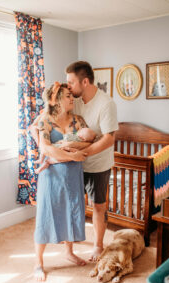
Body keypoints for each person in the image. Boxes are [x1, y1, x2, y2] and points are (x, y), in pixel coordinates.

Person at [33, 81, 90, 282]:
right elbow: (45, 149)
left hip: (73, 175)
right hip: (52, 176)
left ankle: (69, 252)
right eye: (67, 96)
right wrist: (72, 155)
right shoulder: (46, 120)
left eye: (71, 95)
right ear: (56, 99)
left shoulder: (78, 120)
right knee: (46, 215)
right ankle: (39, 262)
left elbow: (88, 141)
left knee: (71, 212)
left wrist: (72, 147)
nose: (72, 98)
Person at [66, 61, 118, 261]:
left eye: (71, 82)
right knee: (73, 204)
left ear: (84, 81)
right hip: (75, 163)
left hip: (98, 165)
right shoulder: (74, 100)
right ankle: (70, 243)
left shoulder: (106, 104)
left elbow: (109, 138)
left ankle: (98, 245)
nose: (68, 86)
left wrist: (84, 153)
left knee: (98, 206)